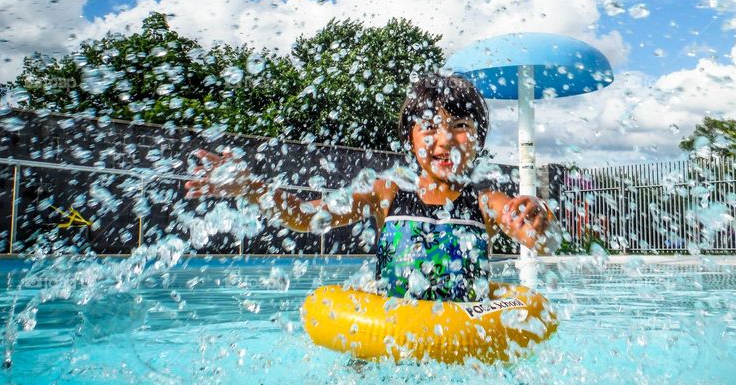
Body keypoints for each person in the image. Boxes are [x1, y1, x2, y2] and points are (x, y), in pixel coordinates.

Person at [185, 73, 561, 301]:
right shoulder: (387, 191)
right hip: (387, 345)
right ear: (410, 138)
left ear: (478, 138)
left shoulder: (484, 200)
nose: (444, 140)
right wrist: (251, 188)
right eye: (429, 127)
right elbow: (304, 215)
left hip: (461, 347)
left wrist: (537, 225)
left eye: (460, 125)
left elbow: (540, 240)